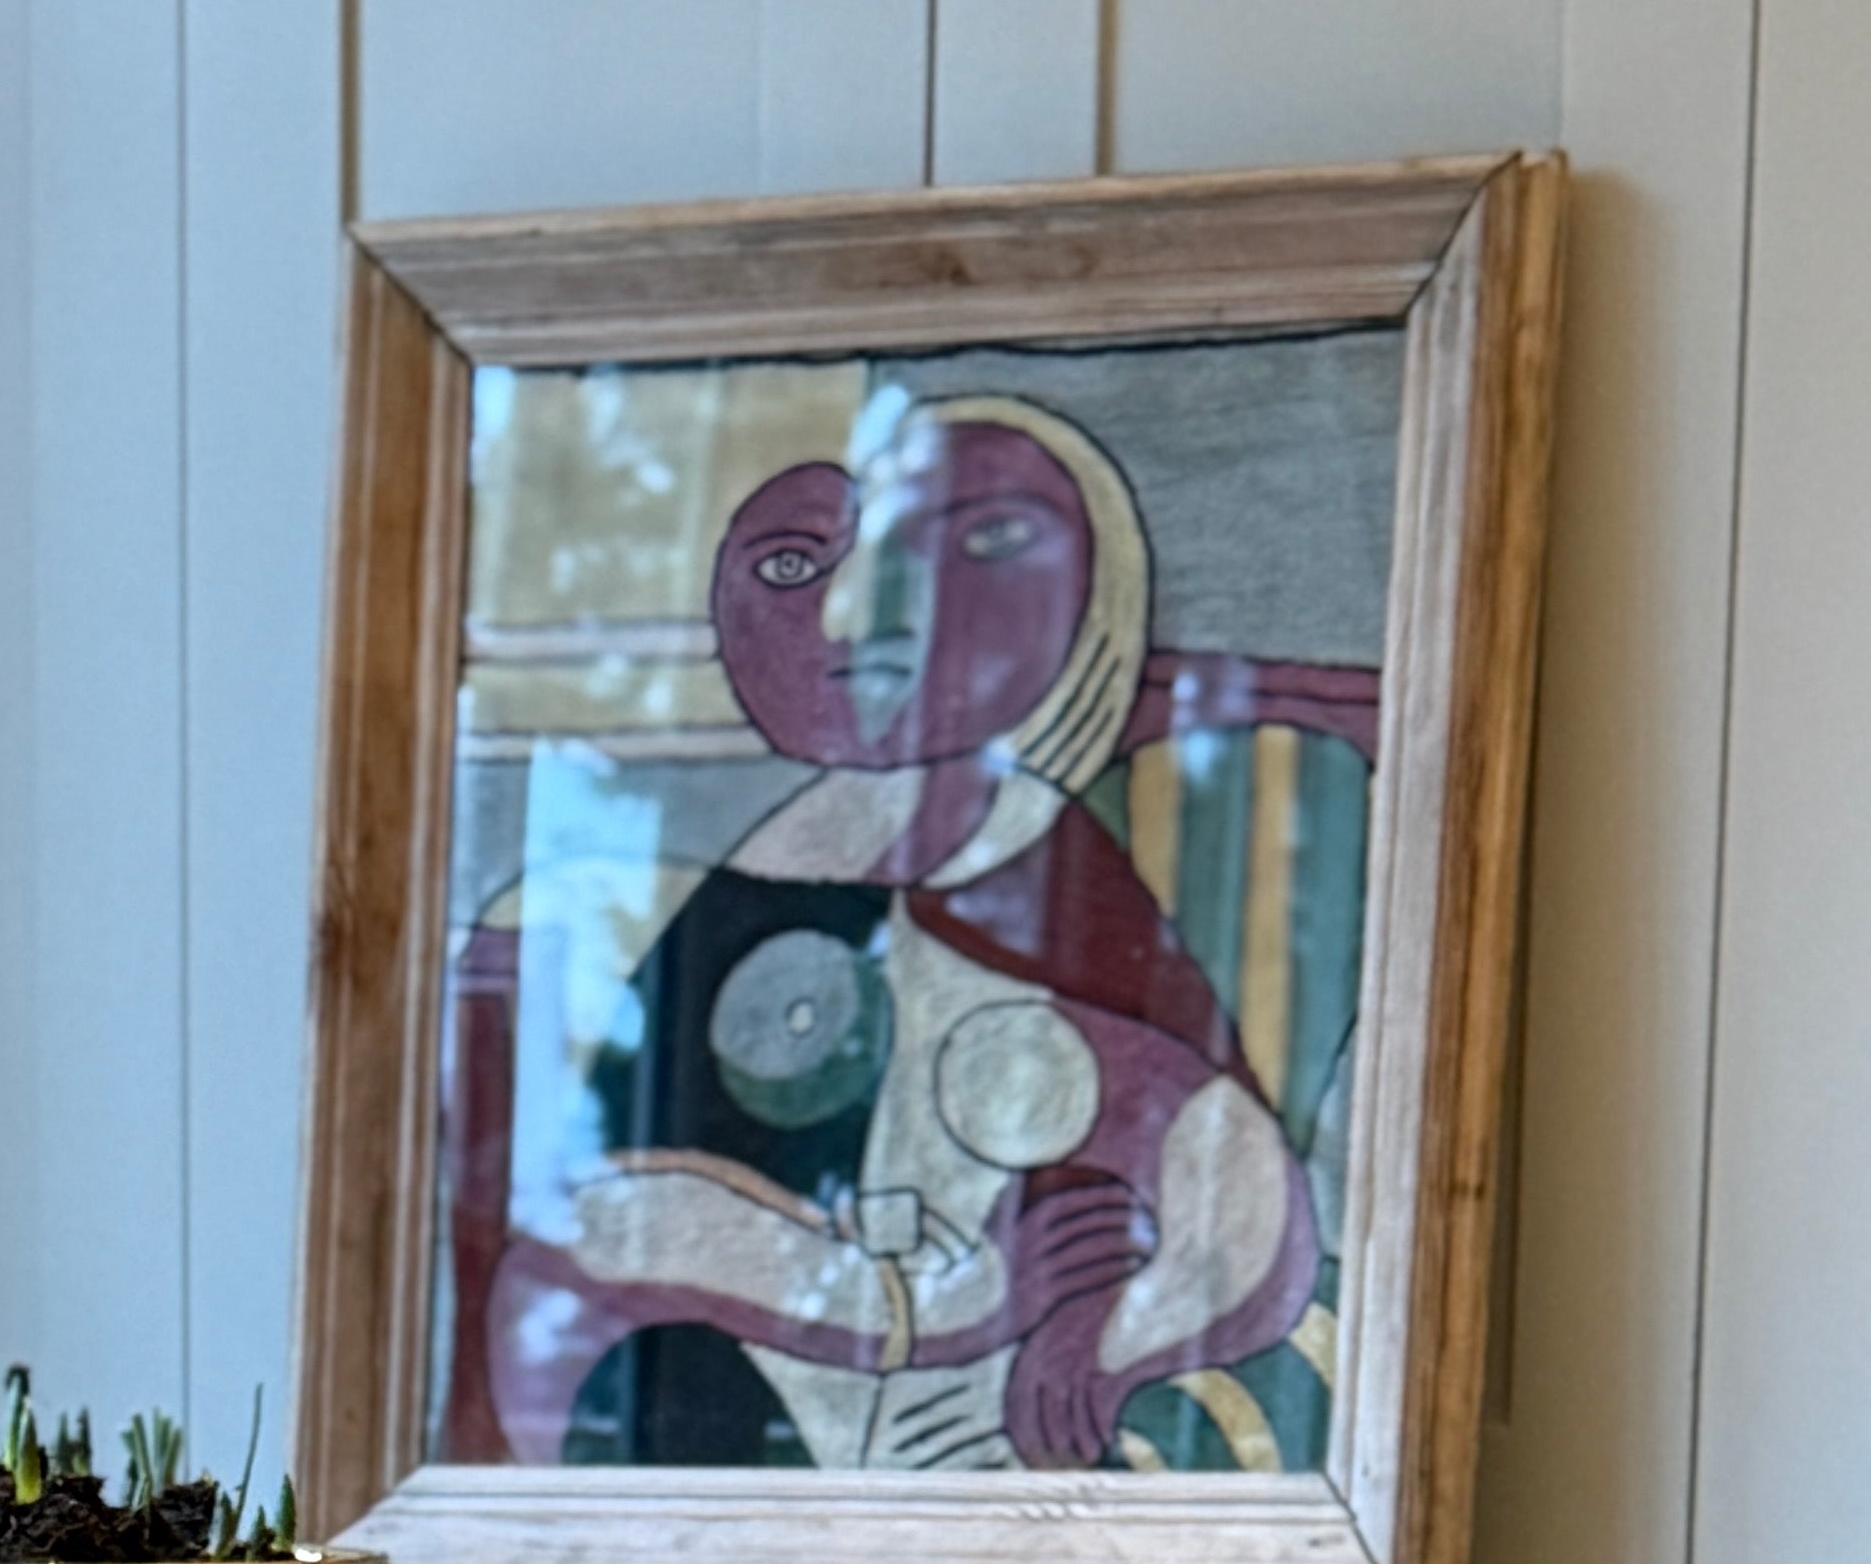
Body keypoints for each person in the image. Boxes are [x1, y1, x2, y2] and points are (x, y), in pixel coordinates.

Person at [440, 392, 1376, 1480]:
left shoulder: (1052, 874)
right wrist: (921, 1304)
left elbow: (1238, 1206)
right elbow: (585, 1247)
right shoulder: (683, 902)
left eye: (985, 544)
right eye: (792, 566)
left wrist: (1109, 1340)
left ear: (1086, 592)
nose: (861, 615)